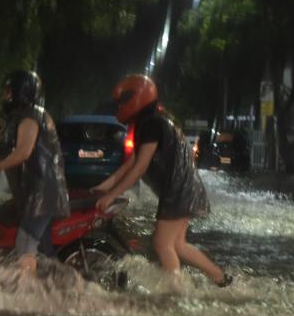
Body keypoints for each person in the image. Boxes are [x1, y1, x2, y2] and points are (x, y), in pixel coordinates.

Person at [94, 74, 232, 288]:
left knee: (162, 243)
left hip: (178, 190)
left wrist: (112, 194)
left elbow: (139, 166)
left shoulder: (151, 124)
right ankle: (221, 278)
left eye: (123, 101)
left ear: (137, 98)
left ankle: (177, 292)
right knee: (177, 244)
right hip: (186, 189)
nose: (120, 107)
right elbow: (132, 162)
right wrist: (107, 185)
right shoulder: (152, 121)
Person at [0, 70, 70, 282]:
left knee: (25, 244)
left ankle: (26, 297)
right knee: (43, 249)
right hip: (31, 191)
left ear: (22, 92)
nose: (5, 96)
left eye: (9, 91)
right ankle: (58, 288)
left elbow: (23, 152)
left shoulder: (32, 116)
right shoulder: (18, 117)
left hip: (42, 193)